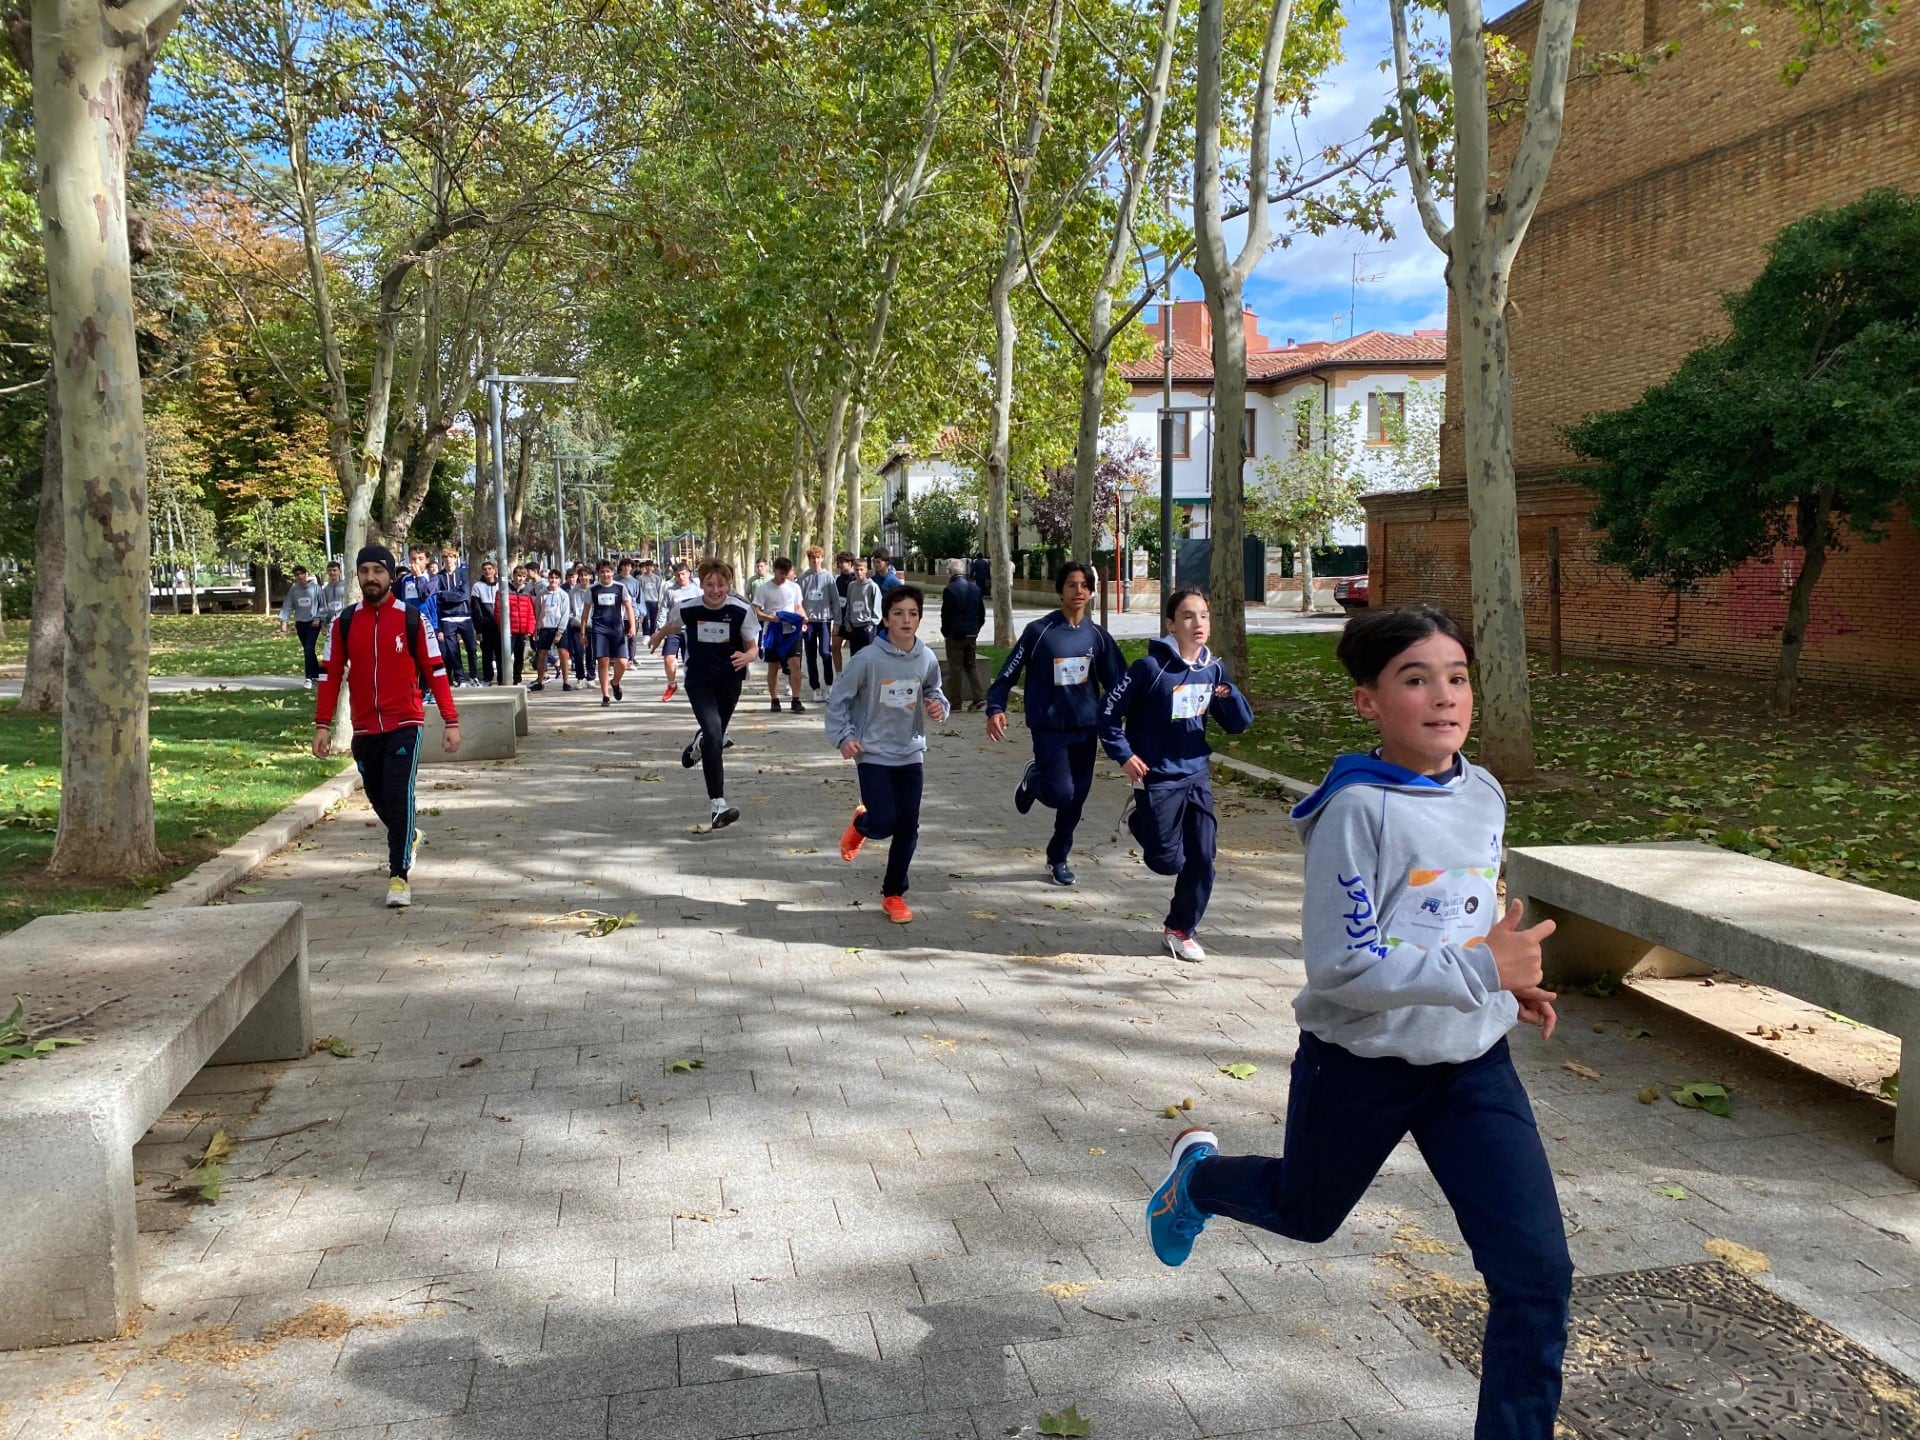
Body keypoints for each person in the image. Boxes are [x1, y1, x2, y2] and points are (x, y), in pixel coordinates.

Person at [1144, 605, 1569, 1440]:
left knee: (1537, 1275)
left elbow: (1461, 915)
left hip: (1471, 1067)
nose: (1444, 697)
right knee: (1306, 1214)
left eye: (1457, 677)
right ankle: (1196, 1182)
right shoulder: (1355, 812)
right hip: (1360, 1065)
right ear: (1368, 702)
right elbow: (1343, 968)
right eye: (1416, 679)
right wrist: (1483, 969)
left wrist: (1501, 982)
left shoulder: (1483, 791)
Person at [1098, 588, 1254, 961]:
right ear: (1171, 624)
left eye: (1203, 615)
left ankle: (1180, 928)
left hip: (1196, 775)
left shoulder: (1213, 669)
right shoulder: (1149, 669)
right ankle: (1139, 819)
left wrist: (1227, 694)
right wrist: (1124, 755)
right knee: (1167, 862)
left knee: (1203, 857)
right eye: (1187, 616)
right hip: (1157, 778)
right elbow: (1106, 714)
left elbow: (1239, 725)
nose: (1197, 623)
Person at [312, 544, 460, 909]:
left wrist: (450, 720)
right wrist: (322, 725)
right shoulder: (344, 623)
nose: (371, 578)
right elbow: (330, 676)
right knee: (380, 799)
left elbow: (436, 671)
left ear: (390, 576)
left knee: (398, 793)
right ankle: (409, 834)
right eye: (364, 572)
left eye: (378, 571)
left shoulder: (412, 620)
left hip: (405, 721)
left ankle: (398, 877)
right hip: (364, 728)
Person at [985, 561, 1125, 887]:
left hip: (1086, 728)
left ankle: (1058, 856)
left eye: (1084, 586)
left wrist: (1135, 714)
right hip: (1048, 727)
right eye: (1072, 585)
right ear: (1060, 590)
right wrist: (995, 707)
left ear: (1091, 592)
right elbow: (1008, 673)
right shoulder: (1039, 632)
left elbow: (1120, 681)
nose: (1078, 591)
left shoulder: (1098, 637)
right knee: (1061, 793)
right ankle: (1034, 779)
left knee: (1078, 798)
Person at [827, 584, 949, 924]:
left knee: (908, 826)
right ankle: (862, 824)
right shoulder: (867, 658)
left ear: (920, 618)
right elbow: (839, 698)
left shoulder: (925, 657)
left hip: (910, 751)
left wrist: (938, 707)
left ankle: (894, 894)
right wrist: (843, 737)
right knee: (883, 823)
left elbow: (935, 692)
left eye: (912, 614)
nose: (906, 620)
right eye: (898, 613)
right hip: (873, 752)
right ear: (886, 619)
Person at [650, 559, 758, 829]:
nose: (715, 590)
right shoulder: (688, 608)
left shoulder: (740, 610)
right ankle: (718, 805)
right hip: (699, 681)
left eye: (721, 585)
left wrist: (747, 656)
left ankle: (700, 744)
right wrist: (656, 637)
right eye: (709, 584)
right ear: (701, 584)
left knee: (714, 735)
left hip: (730, 681)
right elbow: (671, 626)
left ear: (729, 585)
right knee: (714, 734)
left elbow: (754, 647)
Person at [753, 556, 807, 713]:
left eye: (786, 573)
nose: (783, 576)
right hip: (774, 630)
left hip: (792, 631)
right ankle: (774, 699)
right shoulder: (765, 588)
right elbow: (756, 610)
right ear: (774, 570)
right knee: (773, 666)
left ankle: (796, 699)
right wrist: (770, 618)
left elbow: (798, 607)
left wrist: (804, 618)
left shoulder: (794, 588)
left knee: (795, 664)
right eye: (780, 573)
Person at [938, 557, 986, 711]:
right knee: (971, 665)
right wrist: (976, 629)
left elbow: (946, 615)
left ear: (951, 572)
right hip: (972, 633)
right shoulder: (975, 588)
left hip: (955, 635)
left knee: (956, 668)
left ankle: (956, 702)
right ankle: (979, 697)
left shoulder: (950, 590)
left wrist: (946, 632)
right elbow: (981, 612)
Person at [798, 546, 840, 702]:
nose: (815, 561)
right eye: (812, 558)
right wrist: (801, 618)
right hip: (809, 622)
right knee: (810, 655)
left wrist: (837, 622)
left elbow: (835, 601)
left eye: (817, 558)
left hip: (824, 620)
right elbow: (799, 601)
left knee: (825, 652)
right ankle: (815, 688)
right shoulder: (803, 578)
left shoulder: (828, 578)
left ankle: (829, 685)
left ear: (822, 559)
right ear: (808, 560)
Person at [658, 560, 700, 702]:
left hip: (692, 630)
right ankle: (672, 684)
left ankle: (693, 686)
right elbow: (663, 609)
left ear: (689, 574)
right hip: (673, 629)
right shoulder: (670, 592)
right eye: (678, 575)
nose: (681, 577)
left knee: (691, 661)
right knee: (669, 658)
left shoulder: (697, 590)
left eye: (683, 574)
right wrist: (660, 629)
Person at [278, 564, 324, 688]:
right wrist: (284, 621)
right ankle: (317, 675)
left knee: (309, 648)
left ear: (306, 574)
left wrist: (318, 618)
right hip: (300, 623)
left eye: (301, 574)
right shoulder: (294, 590)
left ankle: (309, 677)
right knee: (308, 650)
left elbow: (322, 605)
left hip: (313, 623)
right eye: (297, 575)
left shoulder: (316, 588)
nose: (299, 576)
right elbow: (288, 605)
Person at [437, 546, 478, 686]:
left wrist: (445, 595)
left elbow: (463, 595)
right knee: (452, 651)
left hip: (464, 617)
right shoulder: (439, 577)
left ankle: (473, 676)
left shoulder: (463, 574)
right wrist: (447, 596)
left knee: (471, 648)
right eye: (446, 557)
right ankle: (460, 678)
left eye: (451, 557)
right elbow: (438, 597)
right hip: (447, 618)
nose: (448, 560)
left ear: (456, 558)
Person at [532, 569, 574, 691]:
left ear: (559, 580)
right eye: (551, 578)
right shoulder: (542, 594)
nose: (553, 580)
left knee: (563, 655)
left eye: (556, 578)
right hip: (545, 627)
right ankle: (540, 681)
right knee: (542, 655)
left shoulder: (563, 595)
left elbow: (565, 614)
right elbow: (537, 611)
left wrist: (559, 631)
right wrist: (536, 628)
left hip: (559, 628)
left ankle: (566, 682)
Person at [841, 558, 882, 657]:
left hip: (867, 627)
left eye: (861, 569)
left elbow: (877, 608)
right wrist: (847, 621)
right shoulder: (851, 586)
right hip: (854, 627)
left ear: (866, 570)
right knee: (855, 657)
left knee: (868, 657)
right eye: (856, 570)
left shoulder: (872, 586)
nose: (859, 572)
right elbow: (849, 605)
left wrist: (871, 624)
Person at [471, 561, 501, 684]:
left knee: (501, 653)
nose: (487, 571)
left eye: (490, 568)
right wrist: (478, 629)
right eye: (485, 569)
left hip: (500, 626)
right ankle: (488, 677)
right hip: (486, 626)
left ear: (495, 570)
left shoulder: (502, 585)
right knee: (487, 654)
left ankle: (502, 678)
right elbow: (476, 609)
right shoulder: (477, 587)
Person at [508, 568, 539, 685]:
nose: (520, 578)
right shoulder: (505, 590)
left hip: (522, 630)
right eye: (518, 575)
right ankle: (504, 678)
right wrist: (503, 628)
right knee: (506, 656)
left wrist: (530, 630)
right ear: (514, 575)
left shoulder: (527, 592)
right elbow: (499, 611)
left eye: (523, 576)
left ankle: (517, 679)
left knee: (519, 657)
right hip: (509, 631)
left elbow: (531, 613)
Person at [830, 552, 857, 676]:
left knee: (855, 651)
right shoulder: (836, 579)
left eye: (842, 562)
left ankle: (854, 675)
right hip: (839, 619)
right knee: (835, 647)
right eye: (838, 562)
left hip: (853, 620)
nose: (840, 565)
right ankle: (839, 675)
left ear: (850, 563)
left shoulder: (856, 579)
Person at [566, 565, 593, 685]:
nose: (583, 578)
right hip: (576, 625)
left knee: (591, 652)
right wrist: (573, 618)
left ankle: (591, 677)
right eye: (581, 575)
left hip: (591, 625)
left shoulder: (594, 590)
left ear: (590, 577)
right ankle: (580, 677)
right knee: (578, 652)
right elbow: (570, 609)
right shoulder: (572, 592)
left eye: (586, 575)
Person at [317, 560, 347, 664]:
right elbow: (322, 607)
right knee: (332, 646)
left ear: (339, 571)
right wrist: (323, 624)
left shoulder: (346, 586)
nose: (332, 573)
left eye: (334, 570)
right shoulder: (325, 589)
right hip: (330, 622)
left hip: (344, 620)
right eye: (330, 570)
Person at [635, 558, 666, 637]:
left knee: (653, 619)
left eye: (650, 566)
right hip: (644, 601)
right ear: (645, 567)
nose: (649, 568)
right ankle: (646, 634)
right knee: (645, 618)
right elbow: (639, 590)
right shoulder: (640, 578)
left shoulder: (657, 578)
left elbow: (659, 590)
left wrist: (659, 602)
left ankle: (652, 633)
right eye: (647, 566)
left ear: (653, 567)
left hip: (654, 601)